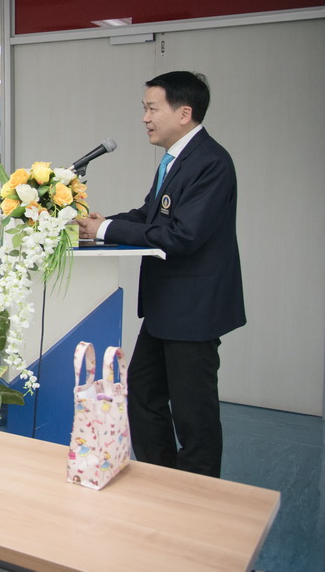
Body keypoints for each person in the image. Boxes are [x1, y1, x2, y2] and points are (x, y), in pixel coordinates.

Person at [76, 71, 244, 478]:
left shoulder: (211, 163)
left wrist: (108, 231)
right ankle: (161, 480)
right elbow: (149, 215)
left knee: (193, 413)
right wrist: (104, 223)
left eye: (152, 108)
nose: (145, 118)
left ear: (184, 113)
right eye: (144, 109)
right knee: (144, 396)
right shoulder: (176, 160)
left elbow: (183, 235)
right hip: (165, 308)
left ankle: (197, 494)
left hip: (194, 310)